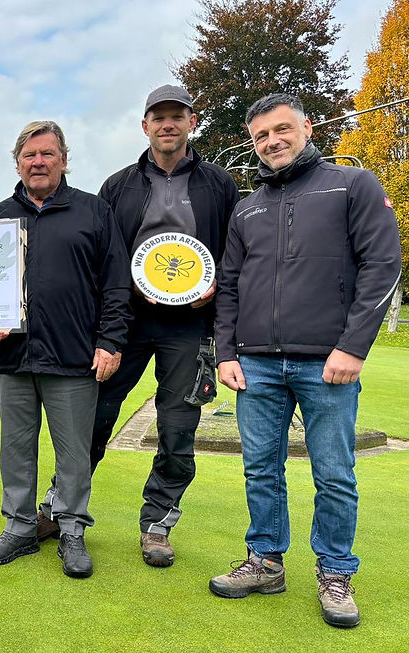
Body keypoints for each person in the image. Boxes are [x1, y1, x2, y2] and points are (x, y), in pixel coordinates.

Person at [210, 93, 401, 628]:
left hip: (327, 364)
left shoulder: (353, 185)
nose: (271, 141)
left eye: (281, 129)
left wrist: (353, 346)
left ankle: (335, 573)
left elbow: (382, 264)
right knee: (260, 470)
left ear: (307, 127)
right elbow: (229, 285)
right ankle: (265, 562)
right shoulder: (246, 207)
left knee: (334, 473)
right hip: (255, 364)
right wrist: (225, 353)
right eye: (260, 136)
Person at [37, 85, 239, 567]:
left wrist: (217, 288)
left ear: (192, 122)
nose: (168, 124)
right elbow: (102, 258)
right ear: (145, 126)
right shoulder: (119, 186)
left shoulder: (219, 184)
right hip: (125, 324)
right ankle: (59, 507)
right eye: (158, 117)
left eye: (177, 116)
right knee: (91, 419)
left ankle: (157, 524)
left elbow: (236, 251)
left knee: (177, 427)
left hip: (190, 326)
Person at [0, 121, 131, 578]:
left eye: (47, 154)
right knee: (16, 449)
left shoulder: (94, 211)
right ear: (17, 163)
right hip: (13, 359)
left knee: (74, 454)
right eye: (29, 155)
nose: (38, 162)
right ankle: (20, 527)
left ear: (64, 159)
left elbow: (116, 285)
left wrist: (111, 341)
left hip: (74, 356)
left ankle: (71, 530)